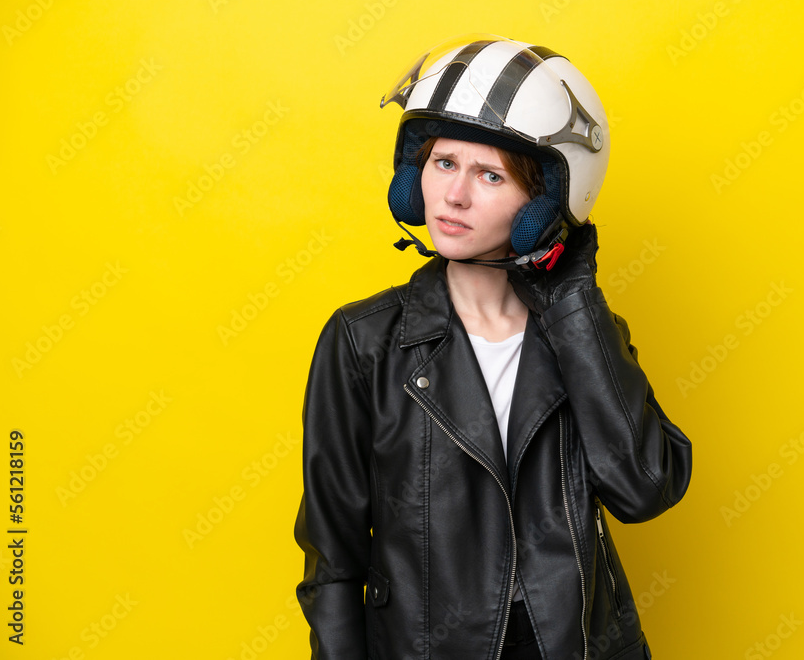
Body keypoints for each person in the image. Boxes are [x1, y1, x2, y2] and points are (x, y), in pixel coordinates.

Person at [293, 34, 692, 660]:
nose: (454, 196)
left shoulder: (587, 332)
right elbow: (333, 560)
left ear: (544, 203)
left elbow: (644, 489)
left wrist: (574, 303)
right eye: (443, 163)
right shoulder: (363, 340)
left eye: (490, 175)